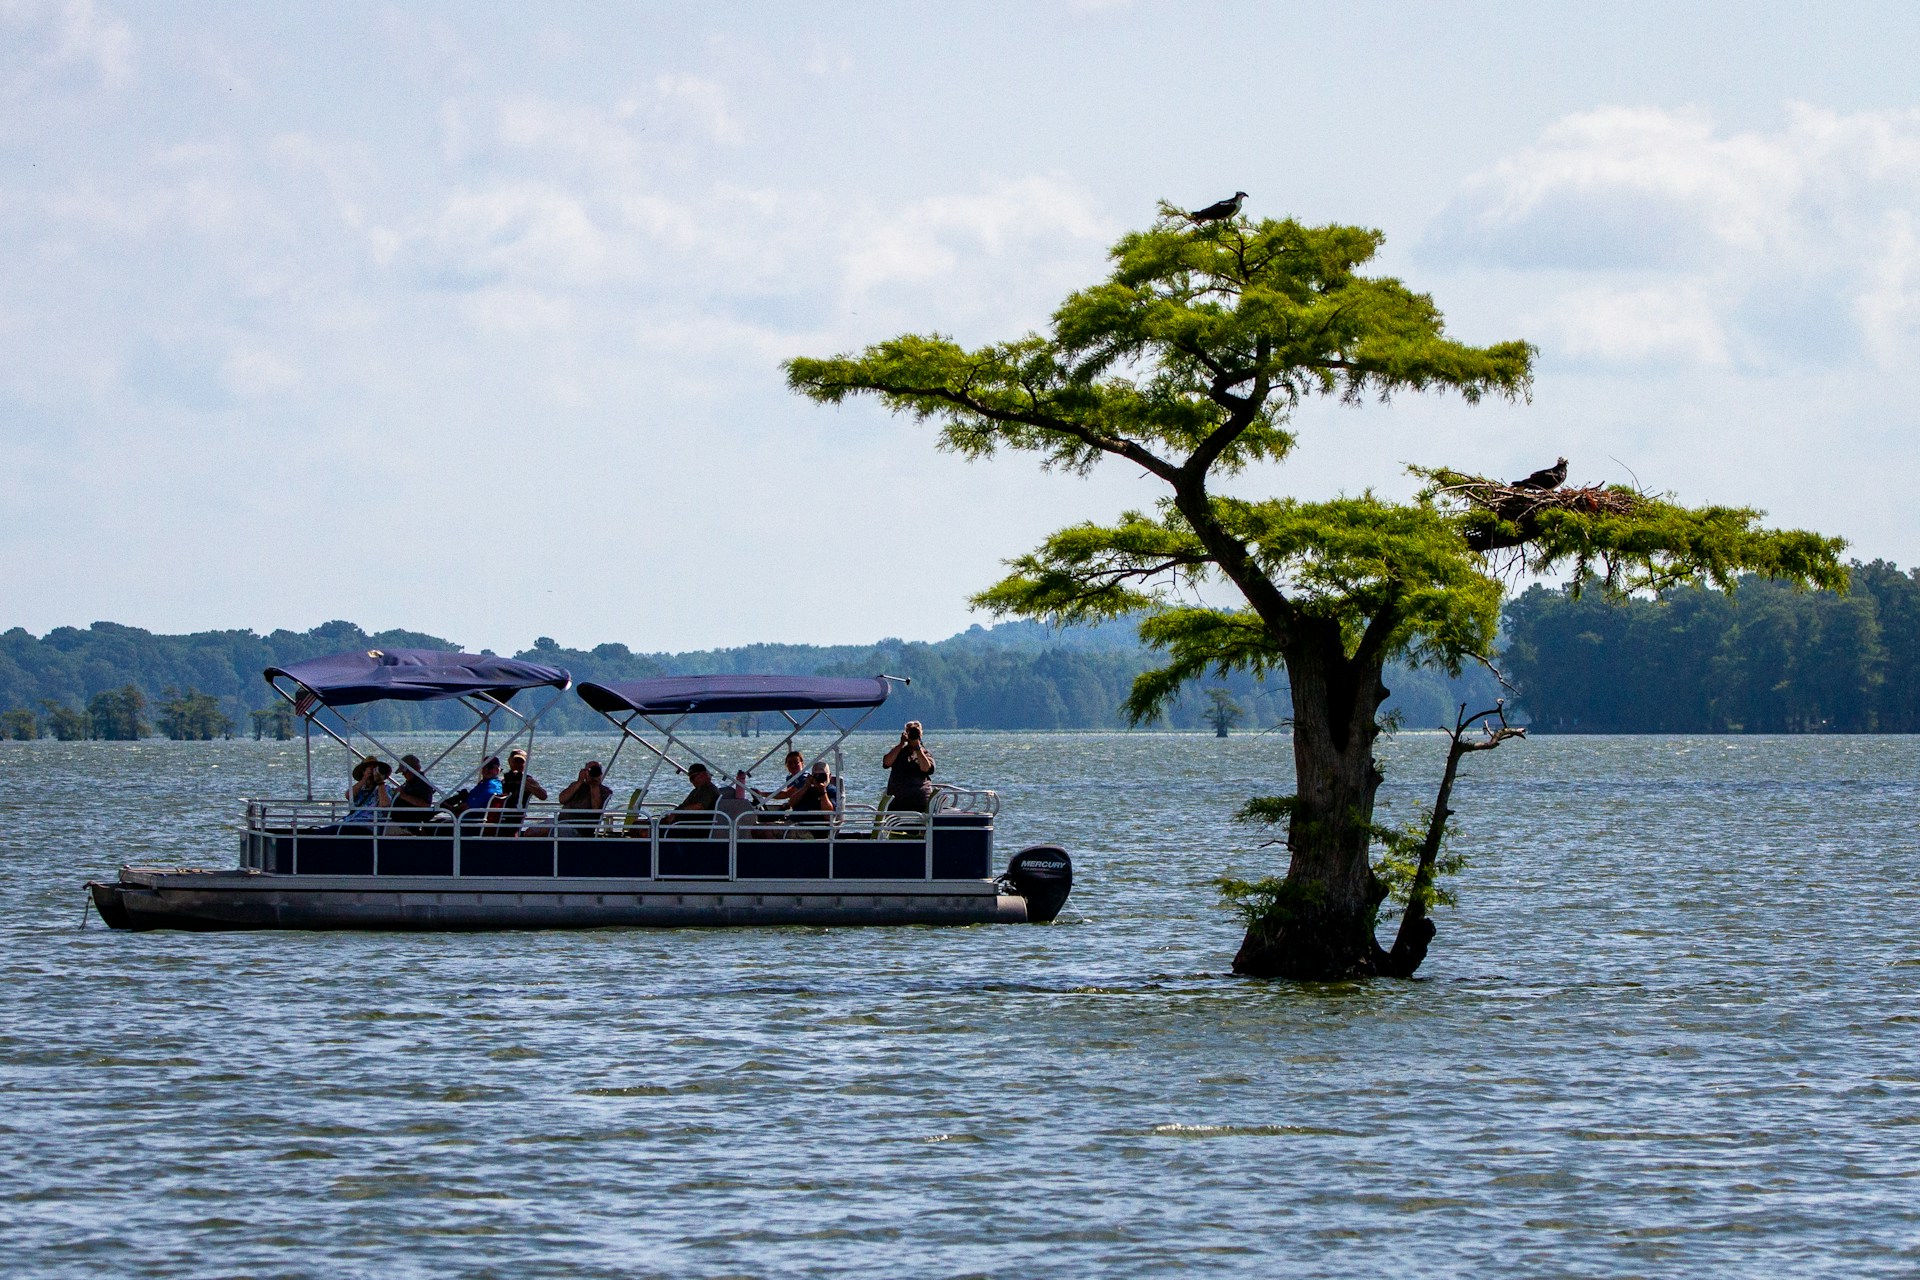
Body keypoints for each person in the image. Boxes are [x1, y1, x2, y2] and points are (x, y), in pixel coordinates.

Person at [882, 721, 936, 814]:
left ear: (921, 734)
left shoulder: (925, 754)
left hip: (919, 802)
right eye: (910, 731)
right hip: (897, 802)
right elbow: (887, 762)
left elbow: (926, 768)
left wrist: (918, 747)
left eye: (916, 731)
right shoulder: (898, 752)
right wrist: (901, 743)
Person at [555, 760, 611, 836]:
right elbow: (562, 799)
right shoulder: (576, 786)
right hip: (560, 822)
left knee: (548, 829)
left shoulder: (604, 791)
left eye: (596, 770)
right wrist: (579, 781)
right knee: (538, 828)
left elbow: (596, 808)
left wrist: (594, 784)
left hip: (579, 828)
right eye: (590, 770)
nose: (593, 772)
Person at [497, 748, 547, 831]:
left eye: (521, 762)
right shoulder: (504, 779)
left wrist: (524, 783)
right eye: (516, 761)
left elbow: (543, 796)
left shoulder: (528, 780)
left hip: (513, 818)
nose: (518, 764)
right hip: (499, 814)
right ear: (509, 761)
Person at [342, 756, 392, 832]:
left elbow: (385, 805)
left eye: (375, 768)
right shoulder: (360, 789)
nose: (373, 771)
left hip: (370, 826)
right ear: (363, 771)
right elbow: (348, 796)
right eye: (369, 768)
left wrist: (380, 782)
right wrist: (364, 778)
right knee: (326, 833)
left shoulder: (384, 788)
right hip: (351, 821)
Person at [463, 756, 504, 822]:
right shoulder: (483, 784)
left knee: (442, 826)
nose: (486, 769)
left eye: (490, 767)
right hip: (469, 819)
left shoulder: (492, 785)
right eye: (484, 766)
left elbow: (472, 805)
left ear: (497, 770)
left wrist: (458, 808)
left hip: (476, 822)